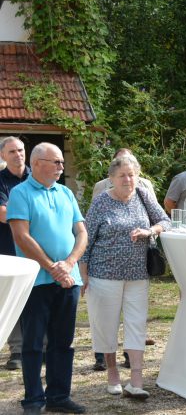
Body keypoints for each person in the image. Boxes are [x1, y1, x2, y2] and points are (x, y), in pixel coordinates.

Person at [80, 155, 170, 400]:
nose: (128, 179)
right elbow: (86, 239)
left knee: (137, 325)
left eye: (132, 174)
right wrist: (83, 275)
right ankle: (112, 373)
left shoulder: (143, 195)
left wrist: (150, 231)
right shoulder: (101, 202)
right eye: (123, 175)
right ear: (112, 178)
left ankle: (137, 380)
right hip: (104, 274)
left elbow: (165, 220)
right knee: (106, 325)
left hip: (138, 274)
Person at [8, 143, 88, 414]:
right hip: (36, 281)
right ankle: (33, 399)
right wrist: (52, 267)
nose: (61, 167)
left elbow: (81, 232)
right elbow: (21, 236)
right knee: (32, 343)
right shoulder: (20, 193)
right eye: (56, 162)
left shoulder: (66, 192)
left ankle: (58, 396)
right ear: (38, 162)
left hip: (69, 279)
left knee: (63, 342)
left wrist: (69, 263)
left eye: (62, 163)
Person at [0, 137, 30, 370]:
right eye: (12, 151)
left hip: (38, 249)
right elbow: (2, 213)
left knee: (38, 298)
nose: (18, 154)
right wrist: (35, 214)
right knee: (13, 298)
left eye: (20, 150)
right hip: (8, 249)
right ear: (3, 156)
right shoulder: (0, 181)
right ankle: (17, 351)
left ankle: (39, 348)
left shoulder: (38, 177)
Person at [91, 149, 156, 202]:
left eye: (128, 160)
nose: (124, 163)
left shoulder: (146, 184)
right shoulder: (101, 186)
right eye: (119, 161)